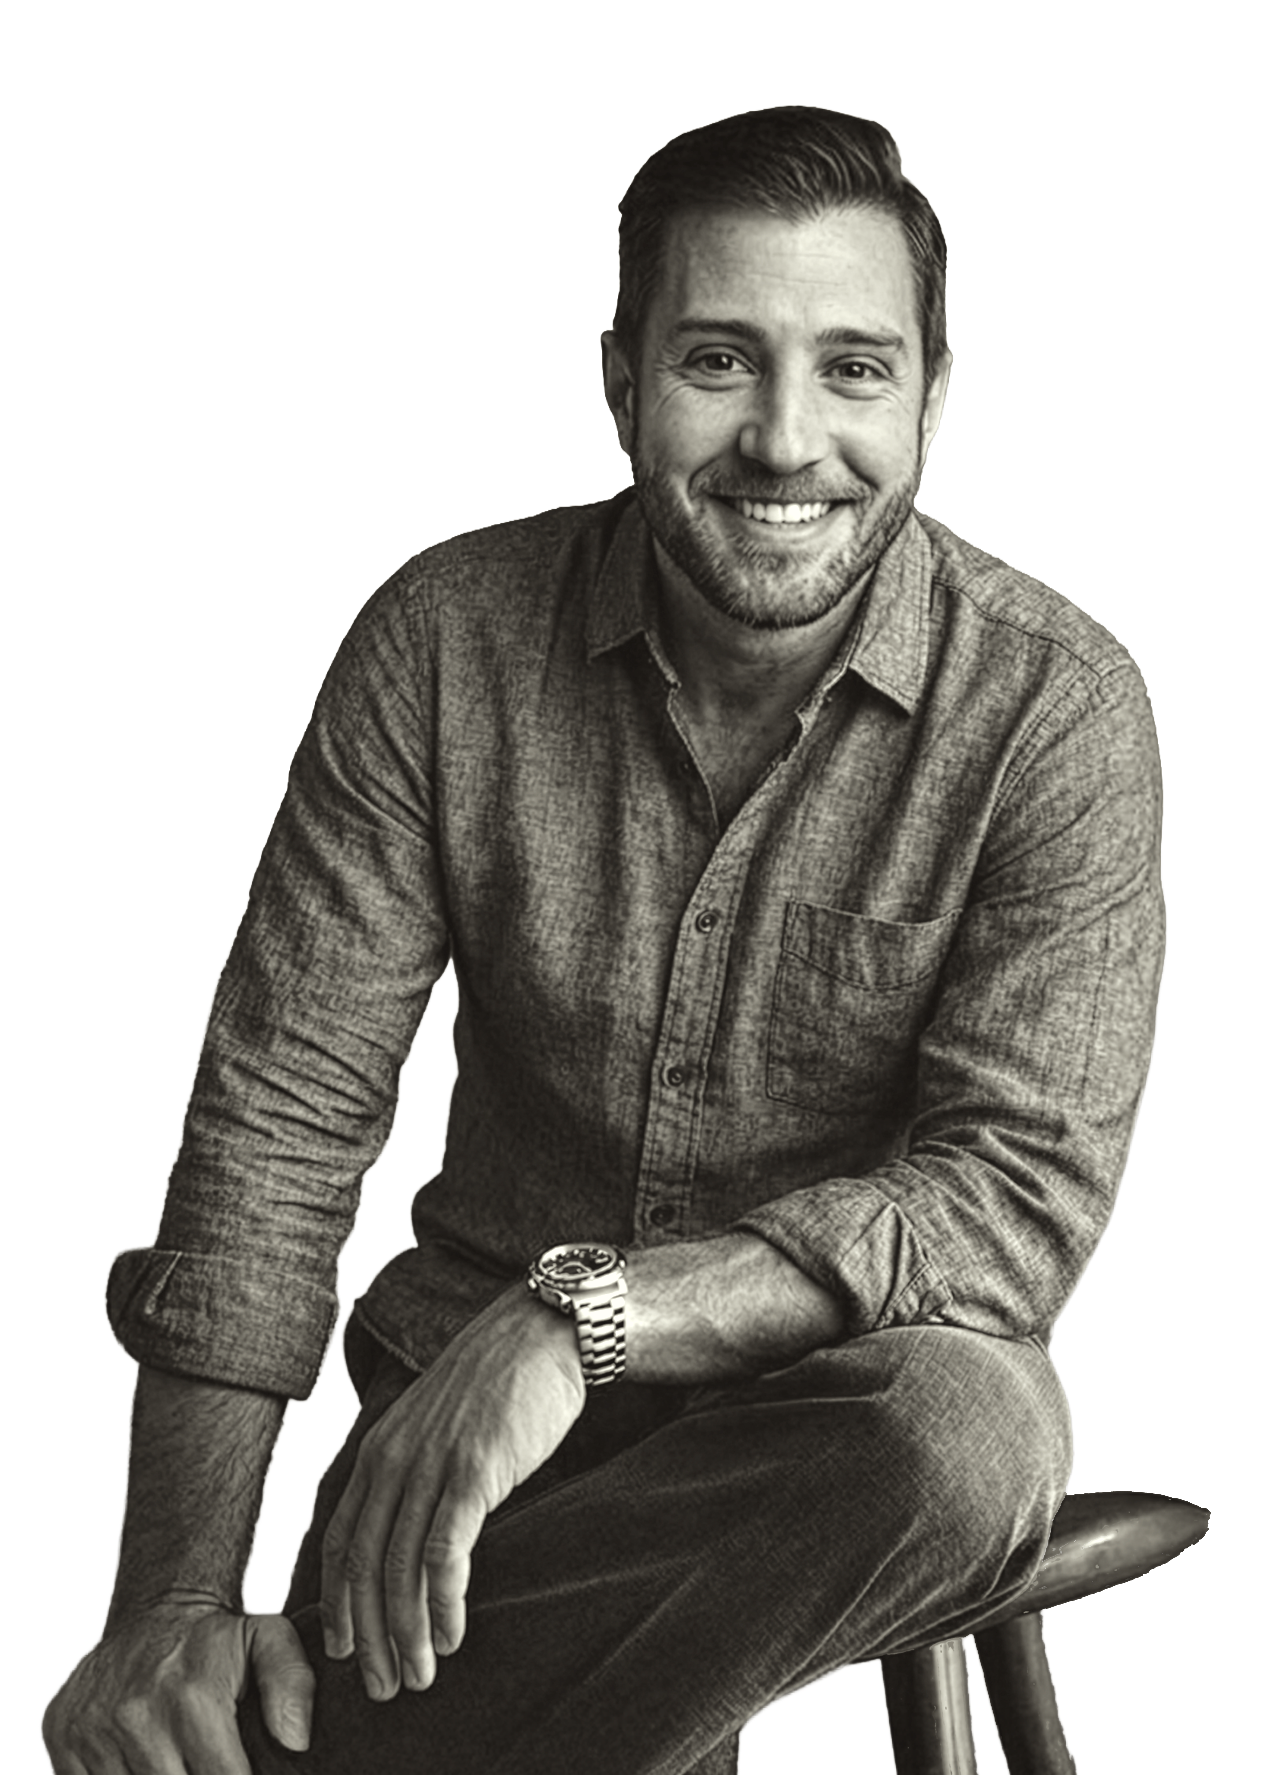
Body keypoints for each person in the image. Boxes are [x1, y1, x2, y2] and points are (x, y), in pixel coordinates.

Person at [41, 105, 1165, 1775]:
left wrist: (583, 1319)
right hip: (468, 1481)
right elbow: (274, 1135)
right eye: (721, 358)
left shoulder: (1052, 710)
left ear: (931, 399)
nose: (788, 440)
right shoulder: (440, 642)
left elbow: (1014, 1204)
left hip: (815, 1448)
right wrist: (166, 1616)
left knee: (957, 1427)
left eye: (854, 368)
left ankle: (312, 1759)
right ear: (620, 383)